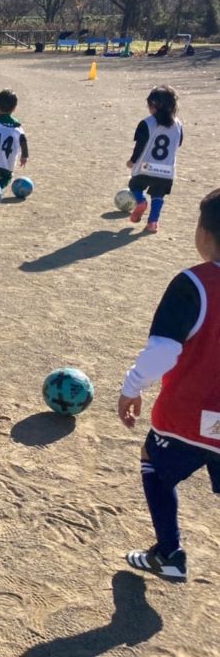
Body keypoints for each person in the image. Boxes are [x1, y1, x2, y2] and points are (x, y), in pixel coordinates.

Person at [117, 188, 220, 583]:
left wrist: (132, 387)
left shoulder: (194, 284)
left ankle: (170, 552)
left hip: (191, 414)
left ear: (205, 235)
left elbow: (162, 350)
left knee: (153, 464)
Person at [126, 86, 182, 234]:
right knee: (158, 195)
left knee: (135, 186)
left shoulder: (147, 123)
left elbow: (140, 145)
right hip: (166, 169)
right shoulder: (178, 125)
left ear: (153, 104)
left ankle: (141, 201)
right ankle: (153, 223)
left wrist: (132, 161)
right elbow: (178, 144)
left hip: (145, 166)